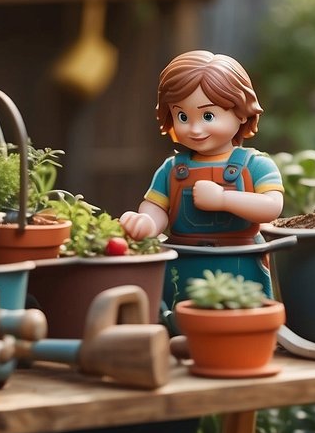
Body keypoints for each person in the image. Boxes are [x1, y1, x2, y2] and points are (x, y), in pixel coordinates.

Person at [120, 50, 284, 300]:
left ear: (241, 112)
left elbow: (272, 207)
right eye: (183, 117)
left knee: (241, 317)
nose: (195, 129)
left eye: (208, 116)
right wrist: (147, 223)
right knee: (177, 317)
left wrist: (223, 199)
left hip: (240, 268)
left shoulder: (255, 165)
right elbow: (157, 207)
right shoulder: (172, 169)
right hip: (183, 265)